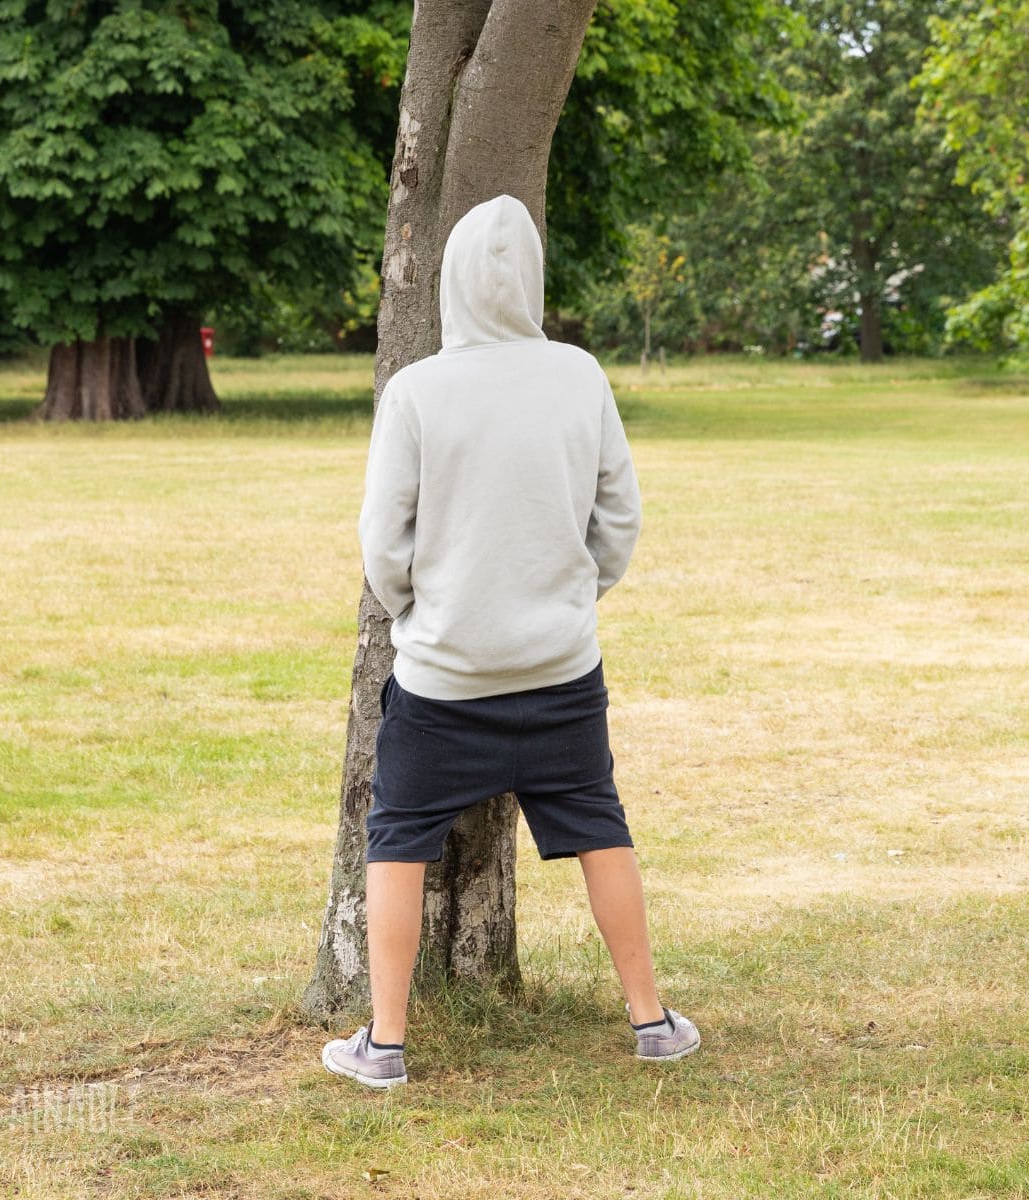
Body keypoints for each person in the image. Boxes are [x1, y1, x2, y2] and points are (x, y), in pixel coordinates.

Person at [322, 194, 699, 1090]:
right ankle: (651, 1019)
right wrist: (569, 596)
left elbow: (384, 542)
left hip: (443, 681)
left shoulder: (415, 391)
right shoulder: (580, 375)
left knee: (397, 839)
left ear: (448, 280)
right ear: (532, 277)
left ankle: (384, 1044)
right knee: (600, 825)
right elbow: (620, 520)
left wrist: (423, 611)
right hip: (561, 670)